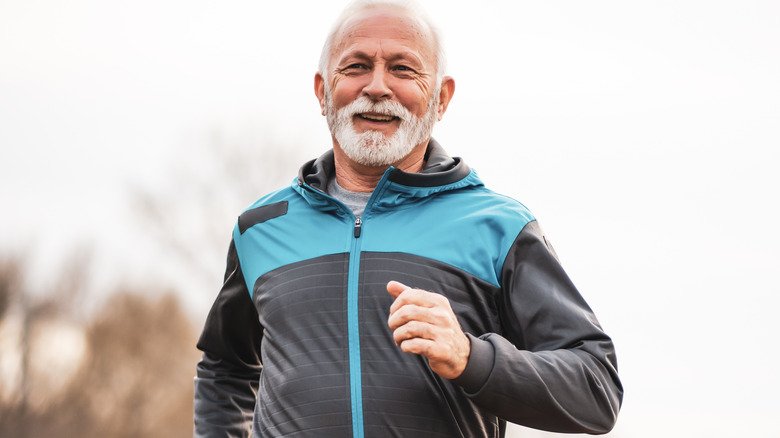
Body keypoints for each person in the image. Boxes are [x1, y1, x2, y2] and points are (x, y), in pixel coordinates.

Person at [193, 1, 623, 437]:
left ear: (441, 97)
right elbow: (224, 369)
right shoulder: (260, 228)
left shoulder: (500, 227)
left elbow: (596, 389)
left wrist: (470, 358)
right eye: (357, 66)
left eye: (402, 69)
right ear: (323, 91)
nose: (377, 87)